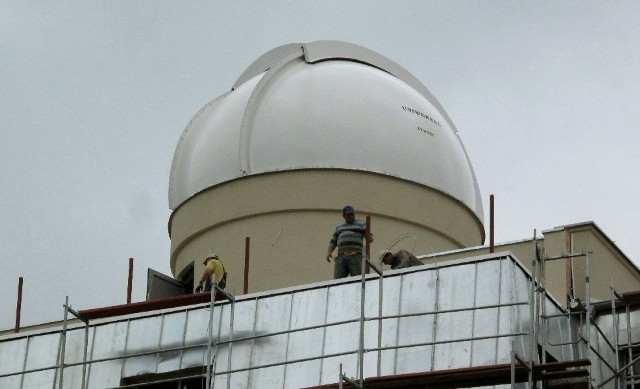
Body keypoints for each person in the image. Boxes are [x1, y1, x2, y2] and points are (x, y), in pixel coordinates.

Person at [326, 205, 373, 278]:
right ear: (344, 216)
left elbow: (370, 239)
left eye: (352, 214)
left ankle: (359, 289)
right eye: (348, 215)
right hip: (341, 256)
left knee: (358, 278)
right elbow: (333, 241)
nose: (350, 216)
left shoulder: (361, 224)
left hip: (355, 255)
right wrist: (329, 252)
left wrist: (368, 235)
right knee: (338, 280)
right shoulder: (339, 227)